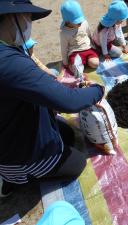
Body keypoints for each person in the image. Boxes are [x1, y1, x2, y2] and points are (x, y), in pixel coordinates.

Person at [0, 0, 104, 197]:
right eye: (27, 16)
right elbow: (69, 102)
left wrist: (60, 86)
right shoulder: (8, 63)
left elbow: (31, 84)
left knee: (68, 133)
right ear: (11, 16)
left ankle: (15, 174)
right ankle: (19, 179)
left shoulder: (7, 51)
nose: (29, 21)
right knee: (78, 162)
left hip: (12, 127)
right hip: (16, 155)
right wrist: (98, 90)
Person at [60, 0, 99, 74]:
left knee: (95, 63)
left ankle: (85, 62)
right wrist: (65, 63)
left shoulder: (84, 22)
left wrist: (94, 47)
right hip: (75, 52)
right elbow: (64, 48)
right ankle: (79, 64)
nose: (80, 22)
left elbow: (89, 35)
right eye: (77, 21)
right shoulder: (64, 33)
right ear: (68, 21)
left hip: (87, 48)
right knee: (78, 72)